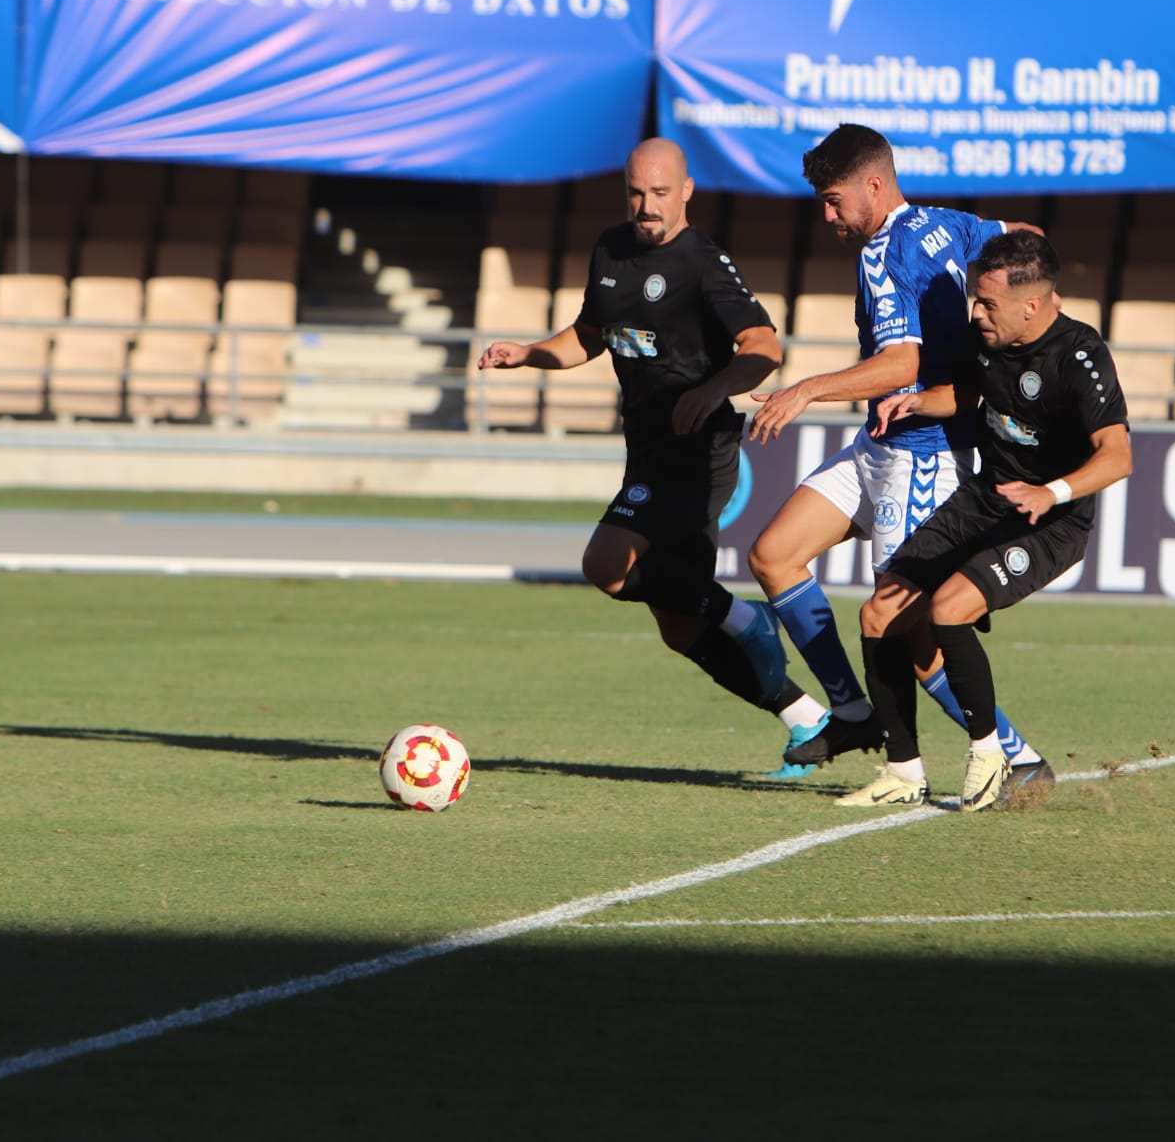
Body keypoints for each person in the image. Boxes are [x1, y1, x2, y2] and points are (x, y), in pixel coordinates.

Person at [479, 138, 834, 765]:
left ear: (687, 191)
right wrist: (529, 352)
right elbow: (591, 335)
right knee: (679, 628)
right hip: (646, 448)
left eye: (661, 193)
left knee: (605, 563)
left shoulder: (703, 262)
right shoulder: (611, 248)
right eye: (637, 193)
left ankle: (741, 616)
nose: (647, 206)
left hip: (699, 453)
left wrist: (715, 388)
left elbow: (763, 346)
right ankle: (802, 716)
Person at [743, 123, 1049, 790]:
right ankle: (853, 711)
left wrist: (805, 389)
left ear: (873, 186)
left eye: (833, 200)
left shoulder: (884, 253)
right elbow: (1030, 238)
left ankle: (1017, 758)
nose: (827, 216)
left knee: (911, 637)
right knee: (773, 554)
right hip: (879, 443)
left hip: (923, 456)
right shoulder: (952, 222)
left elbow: (899, 362)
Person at [838, 229, 1131, 810]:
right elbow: (968, 394)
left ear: (1033, 304)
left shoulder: (1080, 353)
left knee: (948, 610)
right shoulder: (988, 337)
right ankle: (902, 772)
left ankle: (990, 752)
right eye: (977, 299)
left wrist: (1052, 493)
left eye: (987, 303)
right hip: (986, 497)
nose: (976, 312)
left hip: (1051, 520)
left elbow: (1117, 455)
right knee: (879, 614)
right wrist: (918, 401)